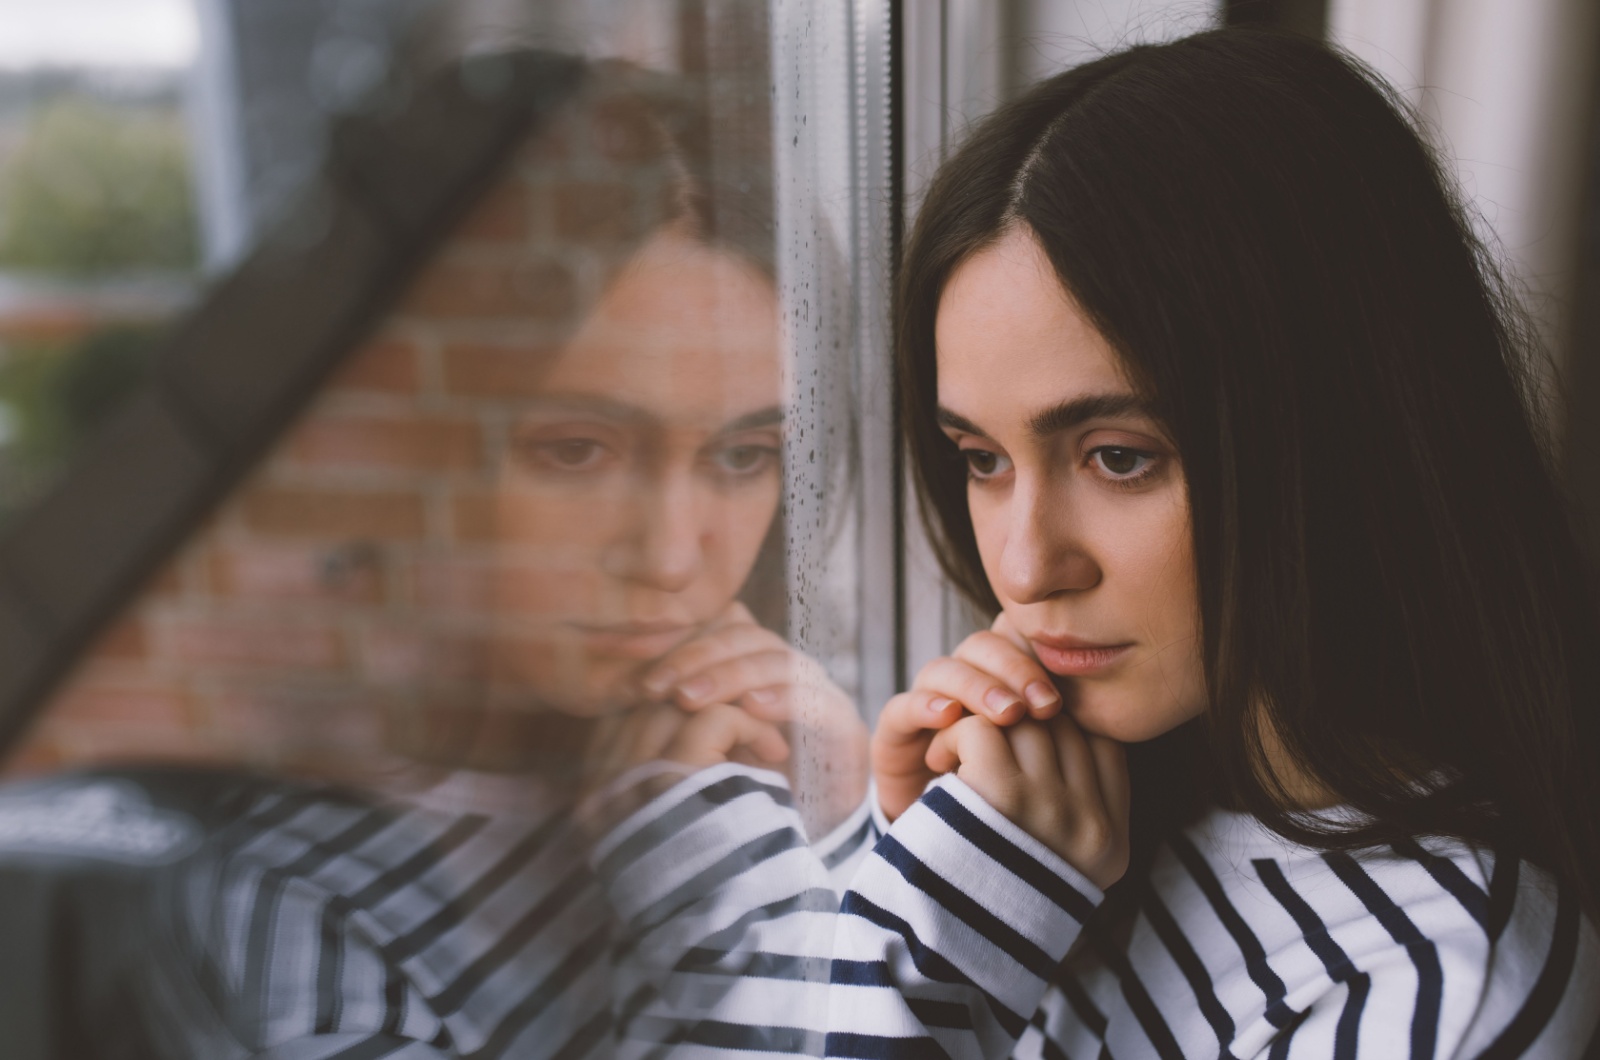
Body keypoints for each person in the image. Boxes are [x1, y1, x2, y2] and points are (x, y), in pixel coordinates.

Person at [591, 26, 1600, 1059]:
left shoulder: (1433, 993)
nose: (1024, 568)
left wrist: (946, 932)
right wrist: (902, 854)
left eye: (1118, 458)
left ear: (1327, 431)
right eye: (981, 460)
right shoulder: (1078, 820)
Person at [113, 54, 871, 1060]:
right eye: (574, 450)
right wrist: (725, 921)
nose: (669, 554)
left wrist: (841, 836)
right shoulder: (290, 904)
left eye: (743, 454)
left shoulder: (779, 750)